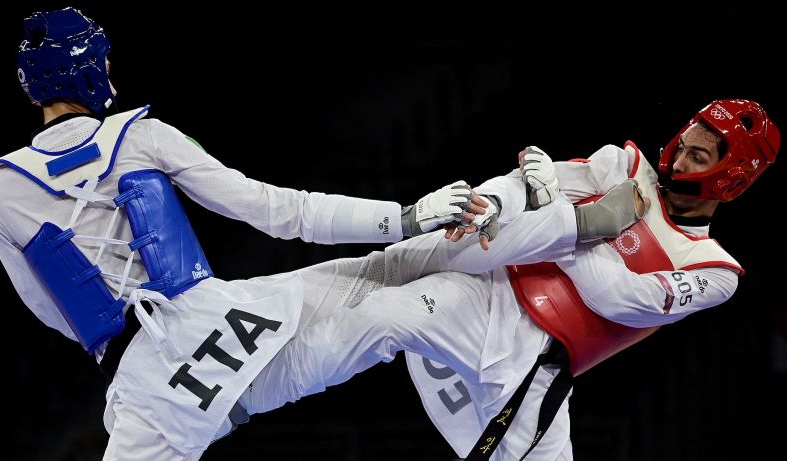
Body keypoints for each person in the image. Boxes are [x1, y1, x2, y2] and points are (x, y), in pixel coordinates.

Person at [0, 7, 647, 460]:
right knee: (399, 269)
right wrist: (404, 212)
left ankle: (555, 226)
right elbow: (277, 209)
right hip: (236, 323)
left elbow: (46, 305)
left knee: (394, 291)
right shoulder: (142, 137)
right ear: (91, 69)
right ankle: (571, 221)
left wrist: (129, 349)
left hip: (150, 385)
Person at [228, 98, 778, 460]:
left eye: (699, 154)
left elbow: (616, 298)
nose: (680, 156)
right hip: (489, 289)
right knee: (378, 313)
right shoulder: (623, 166)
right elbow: (529, 182)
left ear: (729, 176)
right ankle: (241, 398)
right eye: (685, 141)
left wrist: (566, 223)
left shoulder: (712, 270)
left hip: (533, 365)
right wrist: (502, 202)